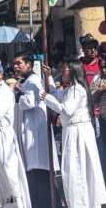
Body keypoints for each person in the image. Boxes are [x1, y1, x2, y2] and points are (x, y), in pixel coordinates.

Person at [41, 61, 106, 208]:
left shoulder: (78, 89)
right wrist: (49, 77)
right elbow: (57, 95)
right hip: (72, 132)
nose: (62, 72)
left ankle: (83, 202)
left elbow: (66, 109)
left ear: (73, 71)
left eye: (64, 70)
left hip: (79, 133)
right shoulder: (70, 89)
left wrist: (46, 98)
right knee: (74, 168)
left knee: (79, 168)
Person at [0, 61, 31, 208]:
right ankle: (8, 204)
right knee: (0, 173)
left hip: (2, 135)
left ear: (0, 74)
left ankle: (17, 204)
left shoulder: (3, 92)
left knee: (8, 172)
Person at [13, 52, 58, 208]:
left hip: (36, 134)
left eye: (19, 63)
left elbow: (30, 101)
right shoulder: (25, 81)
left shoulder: (34, 81)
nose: (15, 66)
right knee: (34, 175)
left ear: (29, 65)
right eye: (15, 64)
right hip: (30, 132)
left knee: (40, 175)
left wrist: (18, 94)